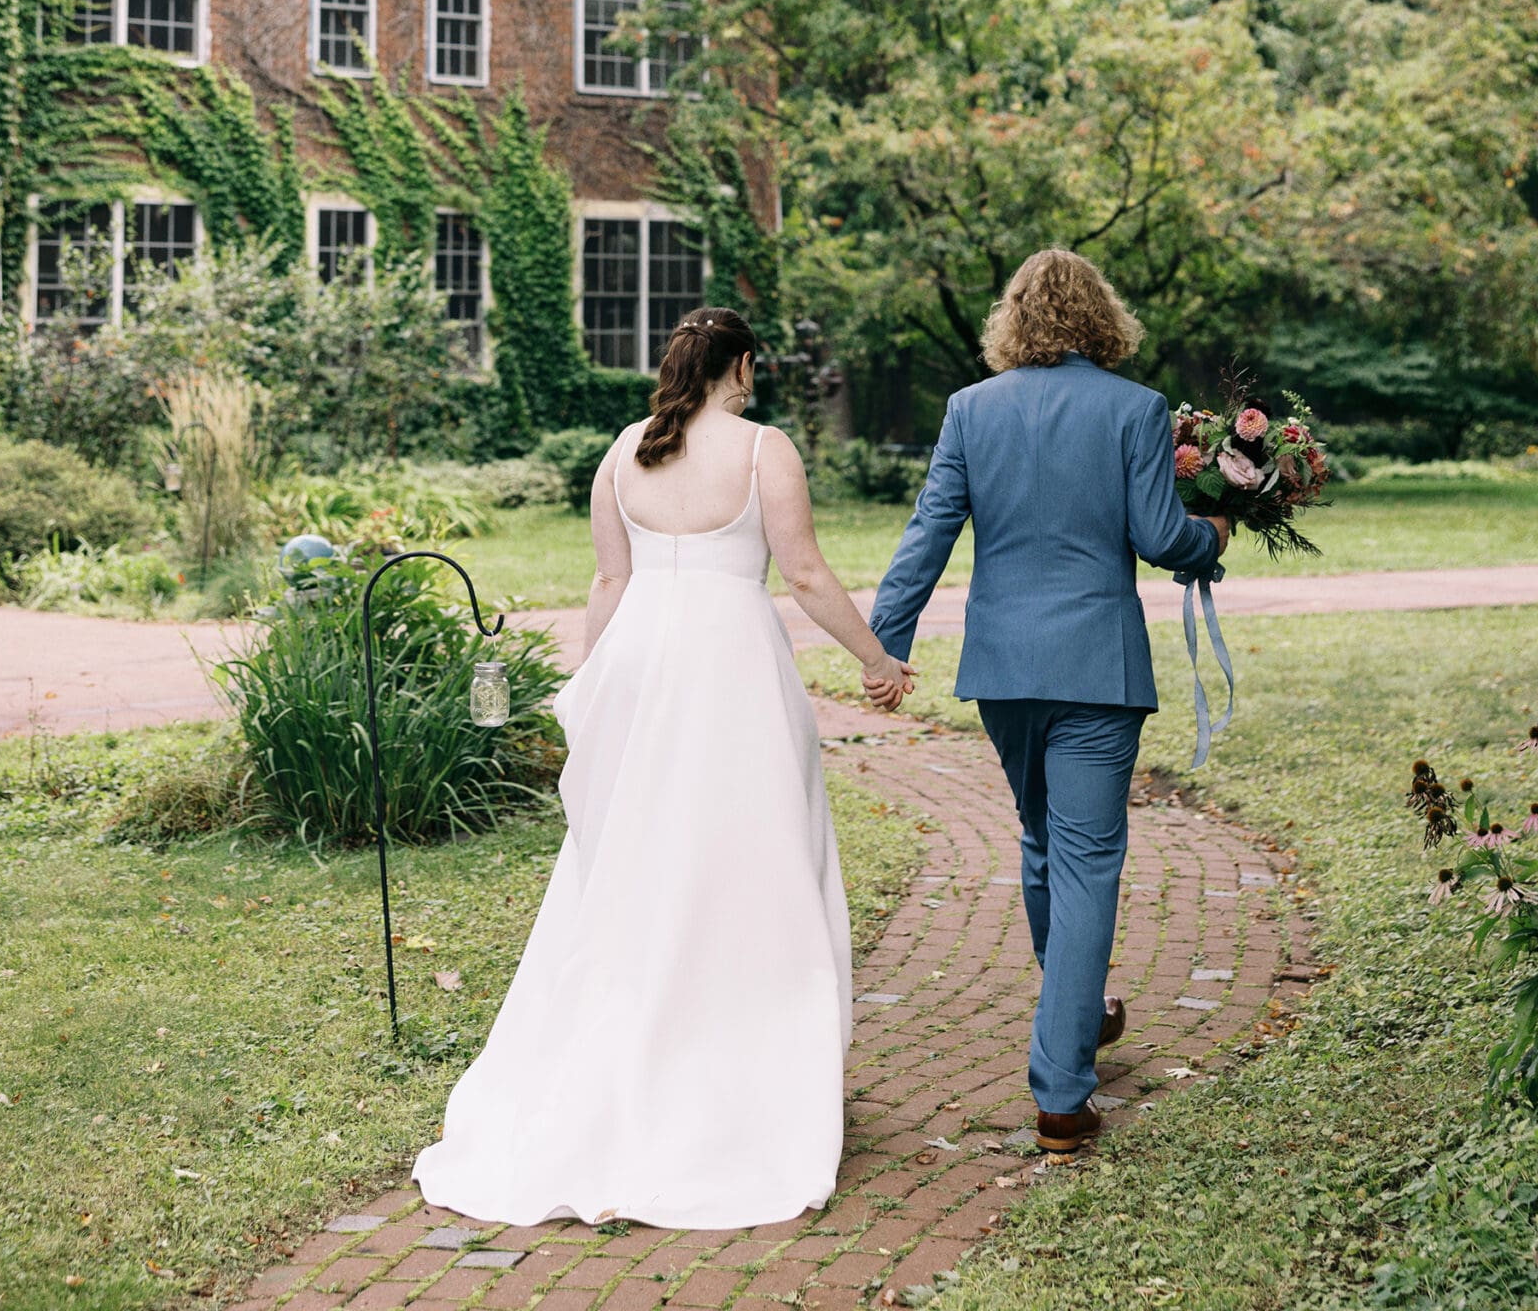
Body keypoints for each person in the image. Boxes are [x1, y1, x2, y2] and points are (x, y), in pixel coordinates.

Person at [414, 305, 915, 1230]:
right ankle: (746, 1074)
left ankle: (635, 1058)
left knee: (641, 857)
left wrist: (591, 692)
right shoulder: (765, 449)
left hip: (643, 662)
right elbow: (802, 574)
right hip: (730, 667)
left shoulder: (623, 449)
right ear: (744, 366)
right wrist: (876, 660)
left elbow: (611, 582)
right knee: (752, 856)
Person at [869, 248, 1229, 1157]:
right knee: (1086, 863)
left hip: (1004, 670)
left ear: (1013, 319)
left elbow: (929, 534)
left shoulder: (968, 410)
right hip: (1096, 672)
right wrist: (1213, 533)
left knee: (1042, 841)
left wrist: (887, 645)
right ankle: (1063, 1088)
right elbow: (1158, 536)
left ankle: (1077, 1010)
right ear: (1102, 316)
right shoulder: (1135, 408)